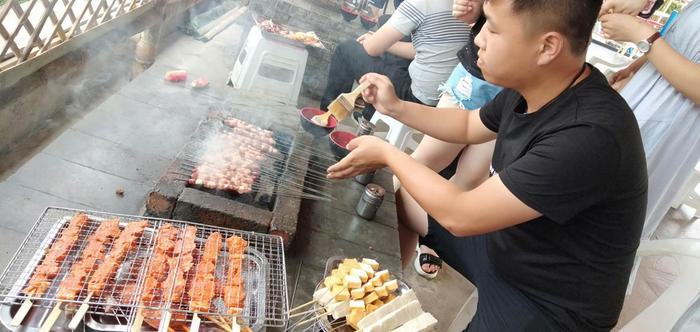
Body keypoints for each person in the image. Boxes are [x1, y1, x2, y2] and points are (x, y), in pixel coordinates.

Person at [328, 0, 648, 330]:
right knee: (404, 201)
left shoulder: (589, 136)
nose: (478, 37)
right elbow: (468, 124)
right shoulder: (536, 87)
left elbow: (460, 215)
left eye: (493, 28)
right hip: (509, 247)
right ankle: (377, 303)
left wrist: (388, 154)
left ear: (547, 46)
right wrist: (396, 107)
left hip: (548, 305)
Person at [396, 0, 503, 279]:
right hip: (476, 77)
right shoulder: (485, 38)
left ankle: (420, 246)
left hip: (515, 91)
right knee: (422, 166)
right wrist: (476, 10)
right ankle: (382, 253)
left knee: (469, 181)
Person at [600, 0, 700, 240]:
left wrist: (643, 35)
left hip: (673, 122)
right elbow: (683, 43)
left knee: (607, 214)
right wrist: (636, 67)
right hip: (641, 103)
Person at [320, 0, 470, 120]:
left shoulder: (420, 4)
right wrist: (387, 45)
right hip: (444, 101)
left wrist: (373, 39)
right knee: (389, 51)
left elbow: (371, 48)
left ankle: (327, 118)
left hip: (416, 97)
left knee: (346, 49)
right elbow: (422, 50)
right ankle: (370, 114)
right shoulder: (466, 9)